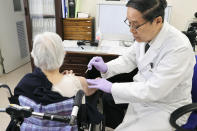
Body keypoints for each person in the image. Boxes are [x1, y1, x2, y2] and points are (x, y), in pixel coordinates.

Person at [86, 0, 196, 130]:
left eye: (136, 25)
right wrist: (107, 67)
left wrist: (111, 87)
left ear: (158, 21)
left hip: (165, 107)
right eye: (129, 23)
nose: (131, 30)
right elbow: (129, 59)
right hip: (142, 99)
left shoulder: (178, 47)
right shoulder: (146, 34)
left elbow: (154, 90)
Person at [11, 32, 97, 131]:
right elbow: (92, 90)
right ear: (63, 54)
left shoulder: (24, 82)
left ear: (34, 56)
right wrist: (74, 79)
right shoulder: (78, 82)